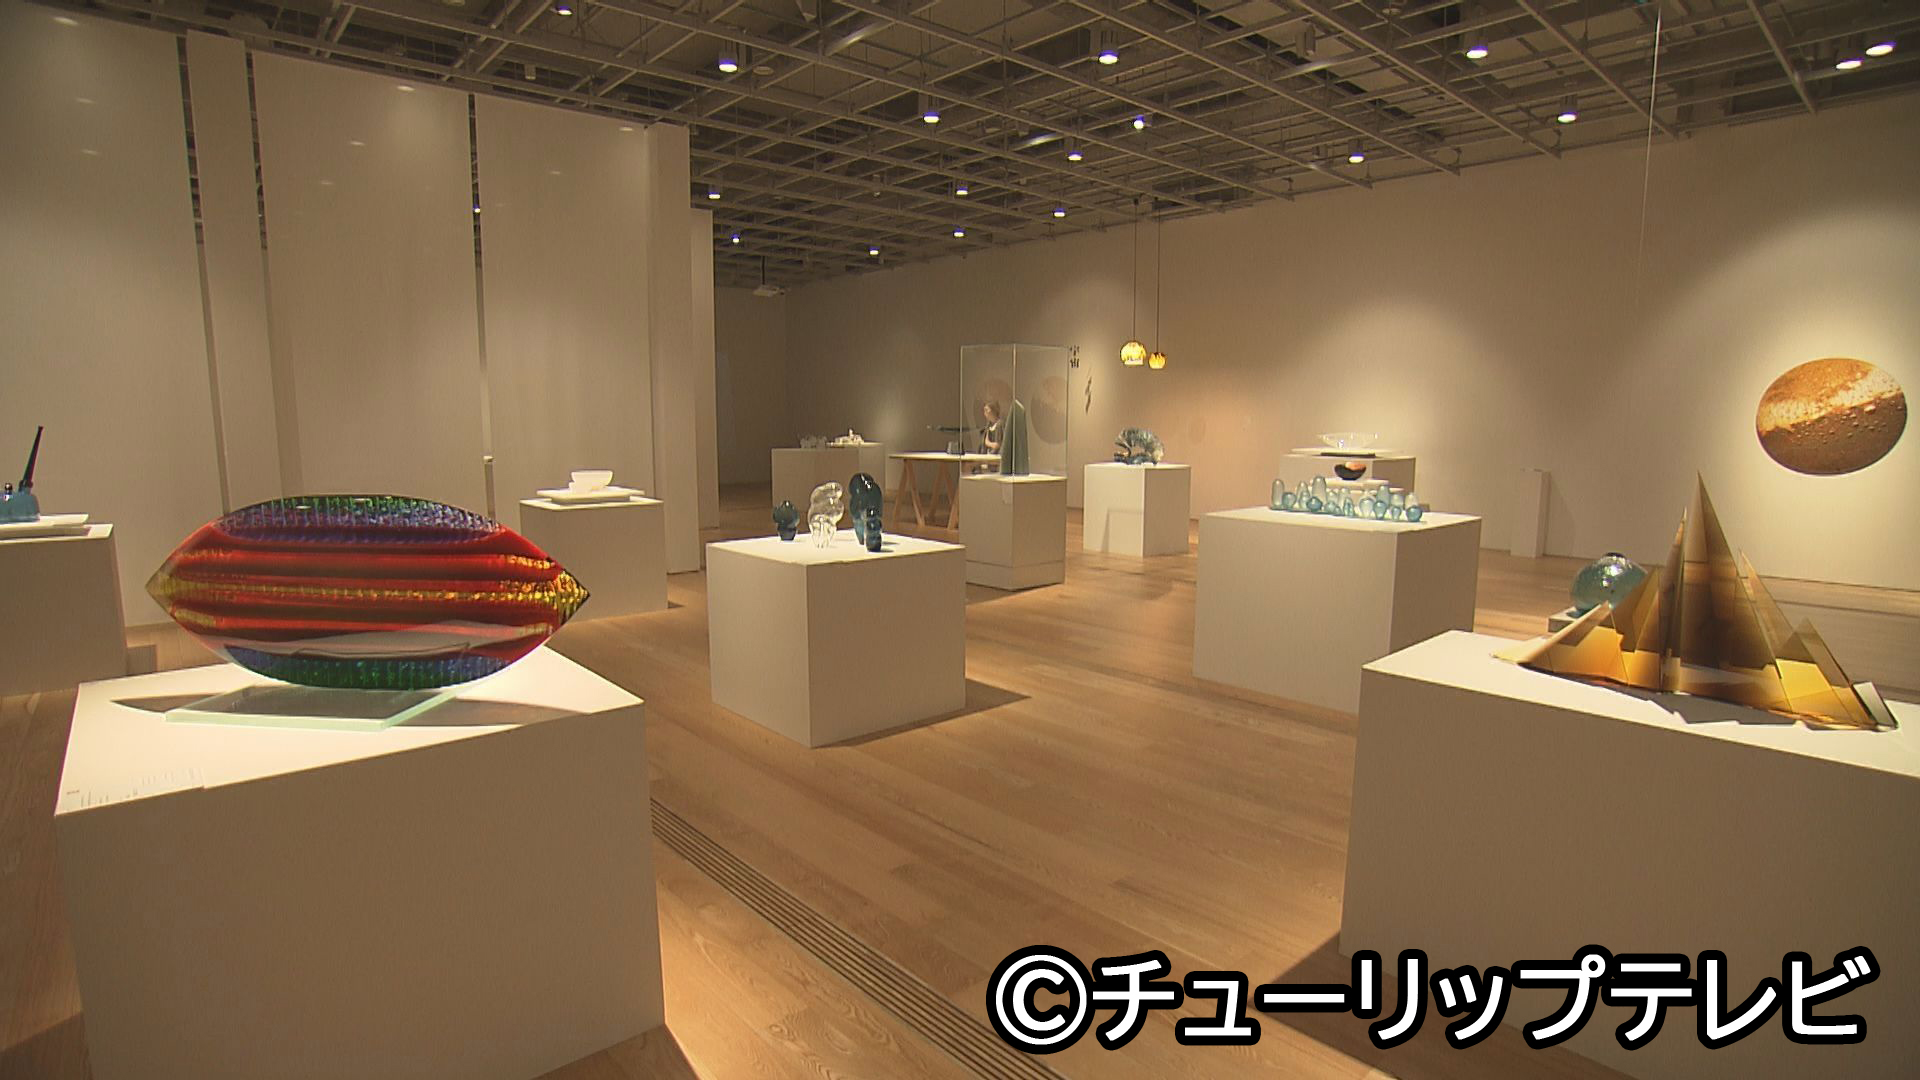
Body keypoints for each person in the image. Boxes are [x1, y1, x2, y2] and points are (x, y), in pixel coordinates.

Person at [975, 399, 1005, 472]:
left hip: (996, 458)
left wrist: (988, 443)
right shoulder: (989, 425)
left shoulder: (999, 424)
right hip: (988, 456)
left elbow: (998, 445)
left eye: (987, 410)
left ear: (993, 410)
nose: (985, 413)